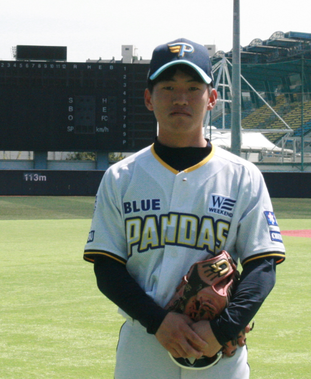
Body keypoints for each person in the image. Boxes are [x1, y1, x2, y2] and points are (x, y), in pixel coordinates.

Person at [83, 38, 286, 379]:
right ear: (149, 98)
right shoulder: (121, 177)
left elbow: (262, 265)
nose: (180, 98)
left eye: (193, 88)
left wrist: (224, 328)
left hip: (218, 349)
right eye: (168, 87)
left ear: (212, 98)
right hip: (144, 345)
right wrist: (158, 321)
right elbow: (107, 267)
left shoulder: (242, 176)